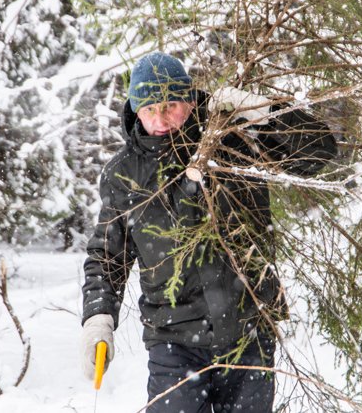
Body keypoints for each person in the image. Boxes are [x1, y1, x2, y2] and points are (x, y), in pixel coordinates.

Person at [80, 51, 337, 412]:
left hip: (248, 329)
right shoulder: (123, 175)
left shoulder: (233, 142)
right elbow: (108, 255)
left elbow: (319, 152)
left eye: (171, 105)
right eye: (150, 109)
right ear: (135, 110)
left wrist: (265, 110)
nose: (162, 118)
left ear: (189, 99)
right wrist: (98, 318)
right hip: (174, 340)